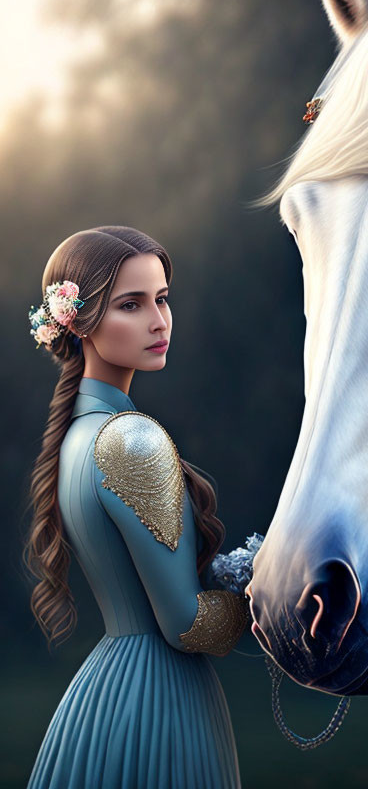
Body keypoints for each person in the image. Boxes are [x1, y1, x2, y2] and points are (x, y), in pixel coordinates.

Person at [25, 226, 248, 788]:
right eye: (132, 304)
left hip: (103, 697)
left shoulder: (77, 435)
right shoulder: (131, 440)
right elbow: (191, 628)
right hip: (160, 701)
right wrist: (264, 596)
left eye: (162, 298)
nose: (159, 320)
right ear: (79, 321)